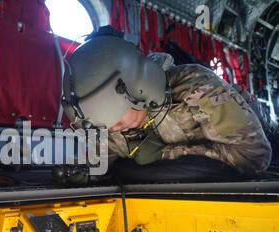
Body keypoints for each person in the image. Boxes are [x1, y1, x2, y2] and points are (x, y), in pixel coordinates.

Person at [62, 34, 272, 183]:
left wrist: (164, 156)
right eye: (105, 125)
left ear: (138, 88)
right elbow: (102, 162)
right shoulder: (109, 123)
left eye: (116, 120)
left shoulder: (194, 86)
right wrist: (85, 172)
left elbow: (254, 156)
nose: (114, 128)